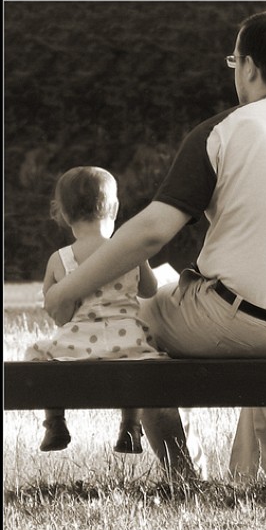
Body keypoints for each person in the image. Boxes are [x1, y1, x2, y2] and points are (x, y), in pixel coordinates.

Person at [45, 9, 266, 483]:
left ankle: (185, 478)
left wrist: (67, 289)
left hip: (238, 323)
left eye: (234, 62)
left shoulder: (223, 131)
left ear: (249, 67)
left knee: (138, 317)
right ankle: (260, 479)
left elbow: (152, 231)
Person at [25, 166, 167, 454]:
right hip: (127, 343)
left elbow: (59, 314)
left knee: (37, 355)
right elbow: (150, 289)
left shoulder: (60, 259)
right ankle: (130, 426)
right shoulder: (130, 250)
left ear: (63, 214)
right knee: (142, 358)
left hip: (77, 346)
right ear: (114, 209)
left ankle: (55, 422)